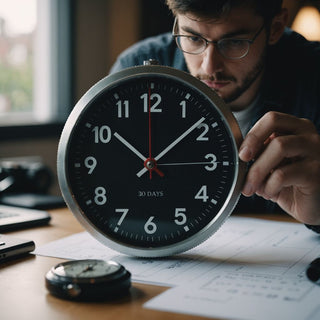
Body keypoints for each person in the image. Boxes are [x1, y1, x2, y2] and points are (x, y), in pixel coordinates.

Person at [110, 0, 320, 232]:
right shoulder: (134, 74)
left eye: (234, 42)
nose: (209, 67)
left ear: (276, 27)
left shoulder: (314, 76)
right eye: (194, 38)